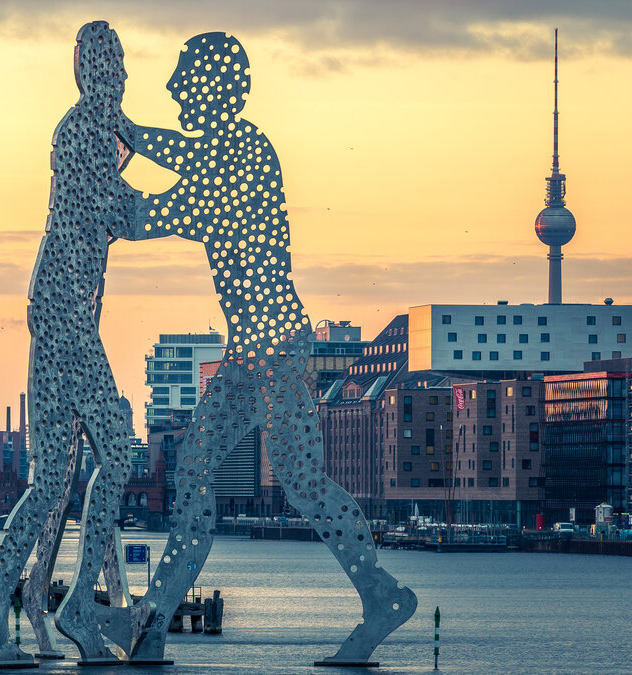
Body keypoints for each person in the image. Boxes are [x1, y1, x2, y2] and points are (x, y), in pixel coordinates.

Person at [103, 32, 418, 665]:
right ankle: (153, 622)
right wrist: (126, 131)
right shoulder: (223, 151)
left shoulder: (244, 154)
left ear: (217, 87)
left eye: (183, 77)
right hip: (250, 353)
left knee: (298, 476)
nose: (172, 88)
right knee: (193, 471)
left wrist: (100, 172)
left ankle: (381, 593)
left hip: (280, 352)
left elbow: (155, 213)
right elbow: (181, 154)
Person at [0, 20, 136, 666]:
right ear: (85, 70)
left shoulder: (92, 129)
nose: (119, 75)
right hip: (66, 321)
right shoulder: (86, 132)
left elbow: (121, 173)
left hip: (60, 319)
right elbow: (123, 209)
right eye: (108, 65)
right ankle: (76, 607)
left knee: (50, 486)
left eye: (120, 64)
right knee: (116, 453)